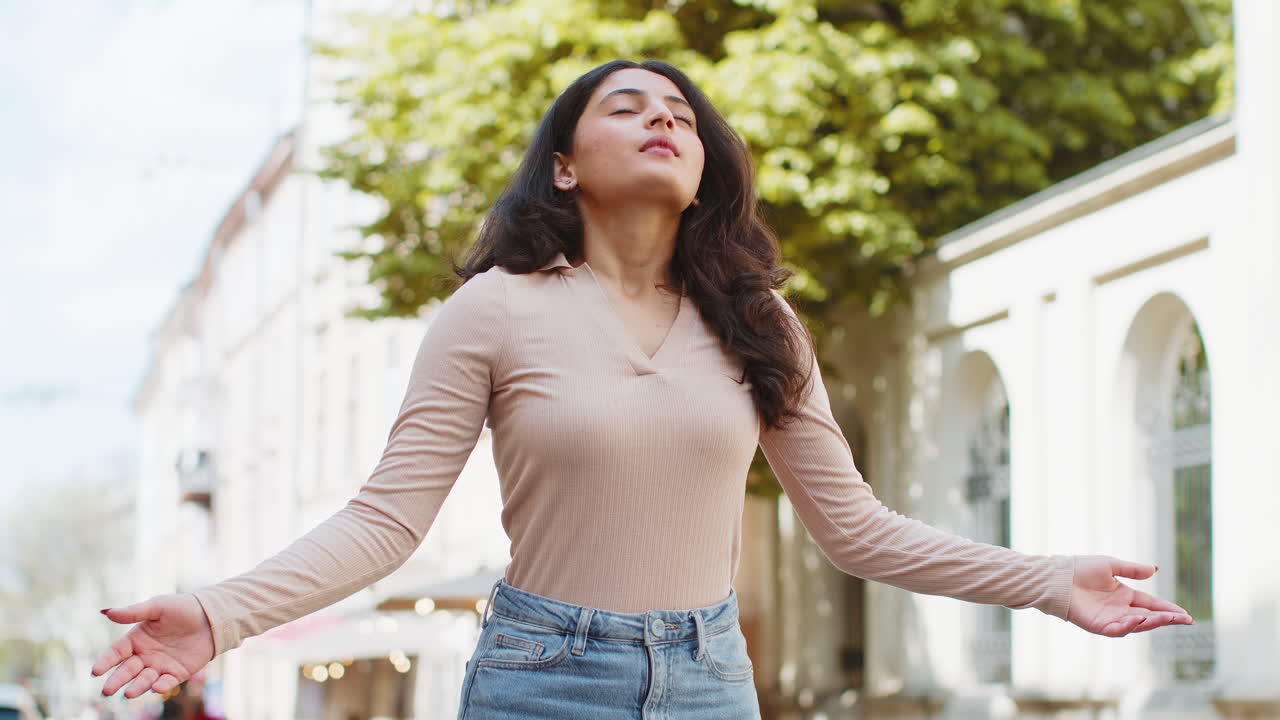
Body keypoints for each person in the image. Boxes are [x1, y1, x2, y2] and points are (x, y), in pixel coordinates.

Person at [92, 60, 1194, 718]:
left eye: (679, 112)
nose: (663, 117)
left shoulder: (758, 324)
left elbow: (853, 529)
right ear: (564, 164)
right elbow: (386, 522)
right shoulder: (493, 310)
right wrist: (220, 613)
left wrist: (1047, 579)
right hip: (540, 677)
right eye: (626, 106)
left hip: (711, 678)